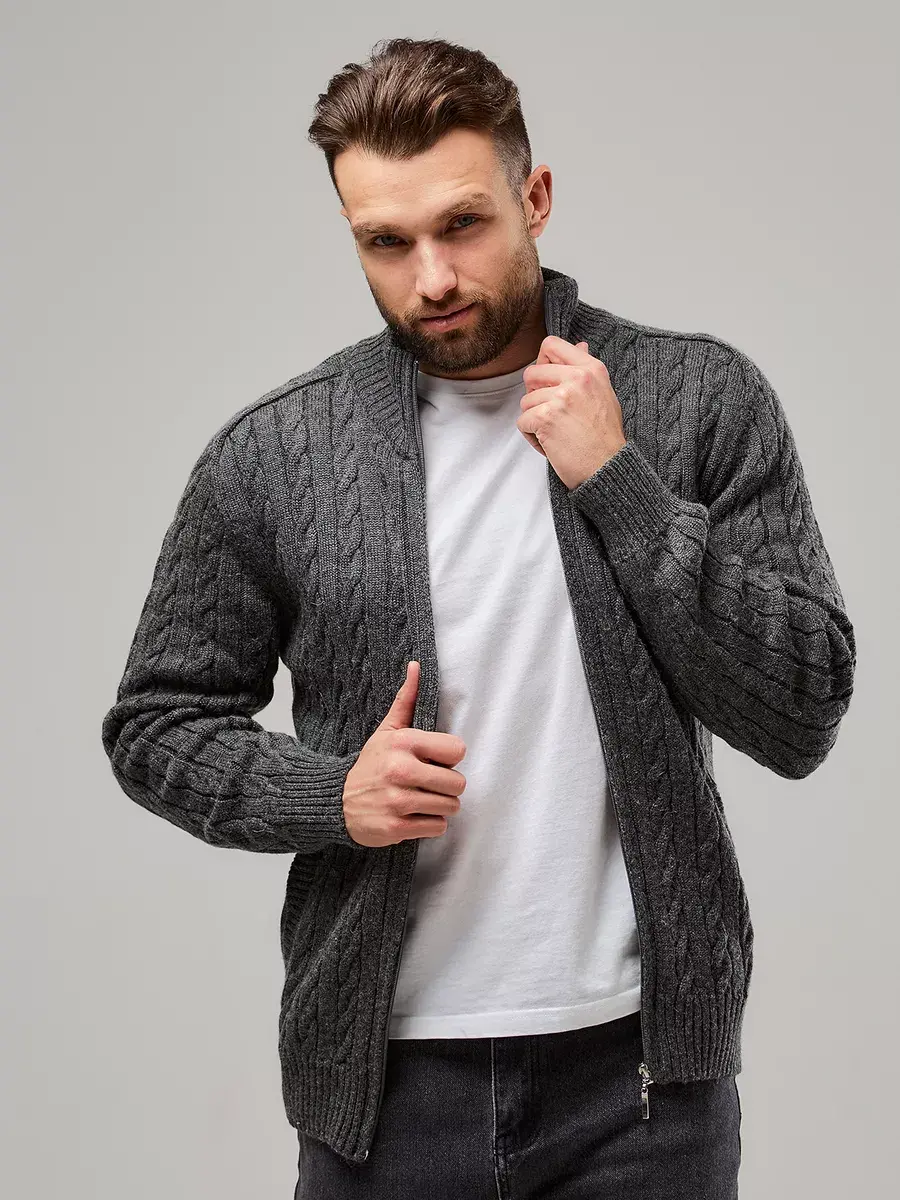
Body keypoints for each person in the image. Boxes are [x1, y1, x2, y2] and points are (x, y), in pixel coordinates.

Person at [101, 35, 856, 1199]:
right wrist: (330, 797)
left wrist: (621, 485)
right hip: (388, 1093)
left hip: (641, 1092)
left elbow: (801, 709)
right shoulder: (276, 455)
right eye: (386, 242)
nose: (433, 278)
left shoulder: (696, 399)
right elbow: (156, 723)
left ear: (534, 198)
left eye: (462, 225)